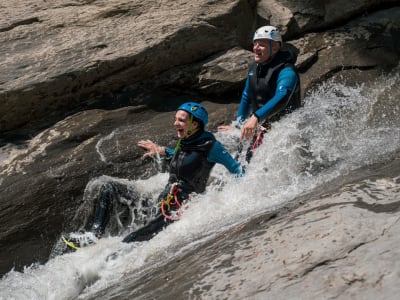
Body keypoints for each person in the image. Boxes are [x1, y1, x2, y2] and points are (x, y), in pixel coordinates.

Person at [62, 102, 243, 249]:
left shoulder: (212, 146)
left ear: (195, 125)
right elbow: (184, 155)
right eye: (175, 119)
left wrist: (242, 196)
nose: (175, 123)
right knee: (108, 187)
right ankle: (94, 235)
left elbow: (236, 169)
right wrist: (162, 150)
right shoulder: (185, 141)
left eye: (181, 120)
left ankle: (102, 258)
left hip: (176, 211)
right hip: (161, 202)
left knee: (129, 241)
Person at [218, 25, 301, 162]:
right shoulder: (254, 69)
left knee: (254, 162)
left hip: (286, 128)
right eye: (255, 44)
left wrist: (256, 117)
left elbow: (283, 96)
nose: (255, 48)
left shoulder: (287, 71)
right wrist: (238, 125)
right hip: (261, 125)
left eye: (261, 45)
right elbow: (247, 97)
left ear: (275, 48)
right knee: (241, 160)